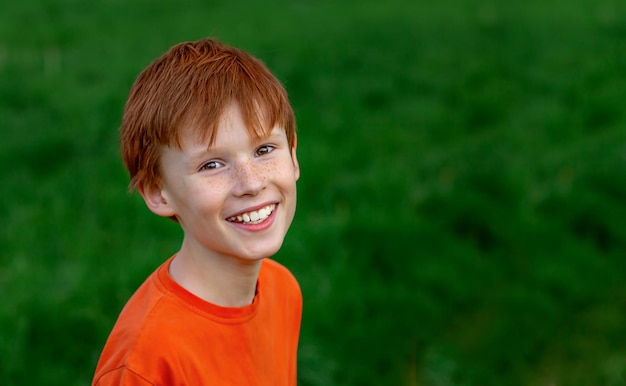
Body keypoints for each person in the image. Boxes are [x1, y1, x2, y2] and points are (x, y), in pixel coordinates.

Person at [92, 37, 302, 385]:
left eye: (264, 149)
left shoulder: (283, 290)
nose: (250, 183)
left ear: (293, 156)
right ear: (159, 193)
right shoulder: (146, 364)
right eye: (212, 164)